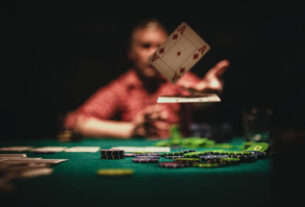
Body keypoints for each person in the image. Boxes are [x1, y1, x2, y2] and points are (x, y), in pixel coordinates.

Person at [63, 19, 230, 139]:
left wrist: (209, 93)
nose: (154, 54)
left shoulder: (178, 78)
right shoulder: (122, 87)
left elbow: (201, 99)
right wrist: (132, 130)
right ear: (130, 52)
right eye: (145, 46)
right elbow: (74, 122)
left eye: (160, 46)